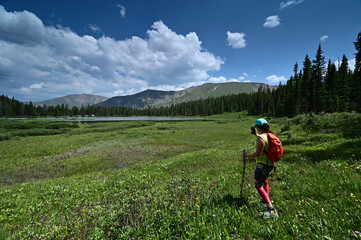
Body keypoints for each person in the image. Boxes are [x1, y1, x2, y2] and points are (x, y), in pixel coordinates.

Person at [243, 118, 279, 219]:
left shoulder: (261, 138)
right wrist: (256, 135)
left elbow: (258, 154)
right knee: (265, 181)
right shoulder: (270, 135)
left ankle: (271, 209)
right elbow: (266, 144)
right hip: (270, 164)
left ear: (258, 127)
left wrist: (246, 155)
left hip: (262, 165)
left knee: (258, 185)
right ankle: (264, 202)